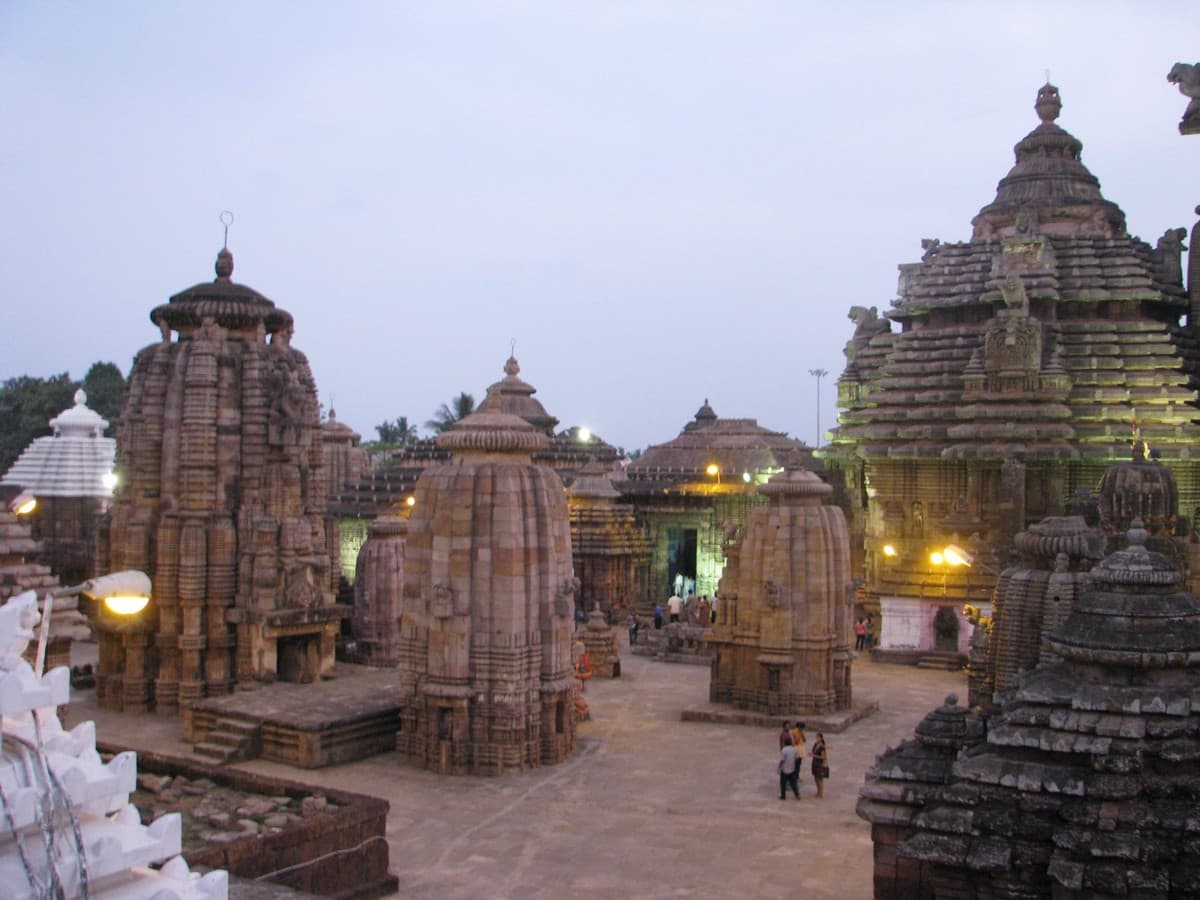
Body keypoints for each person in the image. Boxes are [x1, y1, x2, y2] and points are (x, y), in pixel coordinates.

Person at [778, 736, 800, 800]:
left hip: (785, 769)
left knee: (783, 783)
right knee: (793, 783)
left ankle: (783, 796)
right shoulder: (794, 749)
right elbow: (796, 759)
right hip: (792, 769)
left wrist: (779, 767)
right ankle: (797, 795)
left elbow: (782, 760)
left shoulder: (784, 750)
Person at [811, 732, 829, 799]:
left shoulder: (822, 746)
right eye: (816, 737)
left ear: (821, 738)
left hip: (819, 763)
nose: (817, 738)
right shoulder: (816, 744)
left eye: (818, 737)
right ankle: (818, 791)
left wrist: (814, 755)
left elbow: (823, 757)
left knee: (819, 779)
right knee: (816, 778)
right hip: (815, 762)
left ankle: (820, 793)